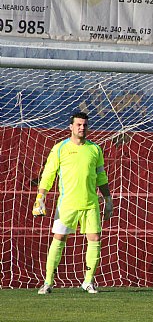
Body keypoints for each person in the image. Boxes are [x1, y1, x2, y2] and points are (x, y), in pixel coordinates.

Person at [33, 112, 113, 294]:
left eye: (84, 125)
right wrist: (40, 197)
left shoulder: (95, 149)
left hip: (91, 203)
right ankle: (47, 283)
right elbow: (48, 175)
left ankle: (88, 282)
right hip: (67, 204)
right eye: (78, 124)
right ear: (70, 127)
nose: (82, 128)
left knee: (95, 239)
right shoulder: (60, 148)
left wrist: (108, 199)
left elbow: (101, 176)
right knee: (59, 239)